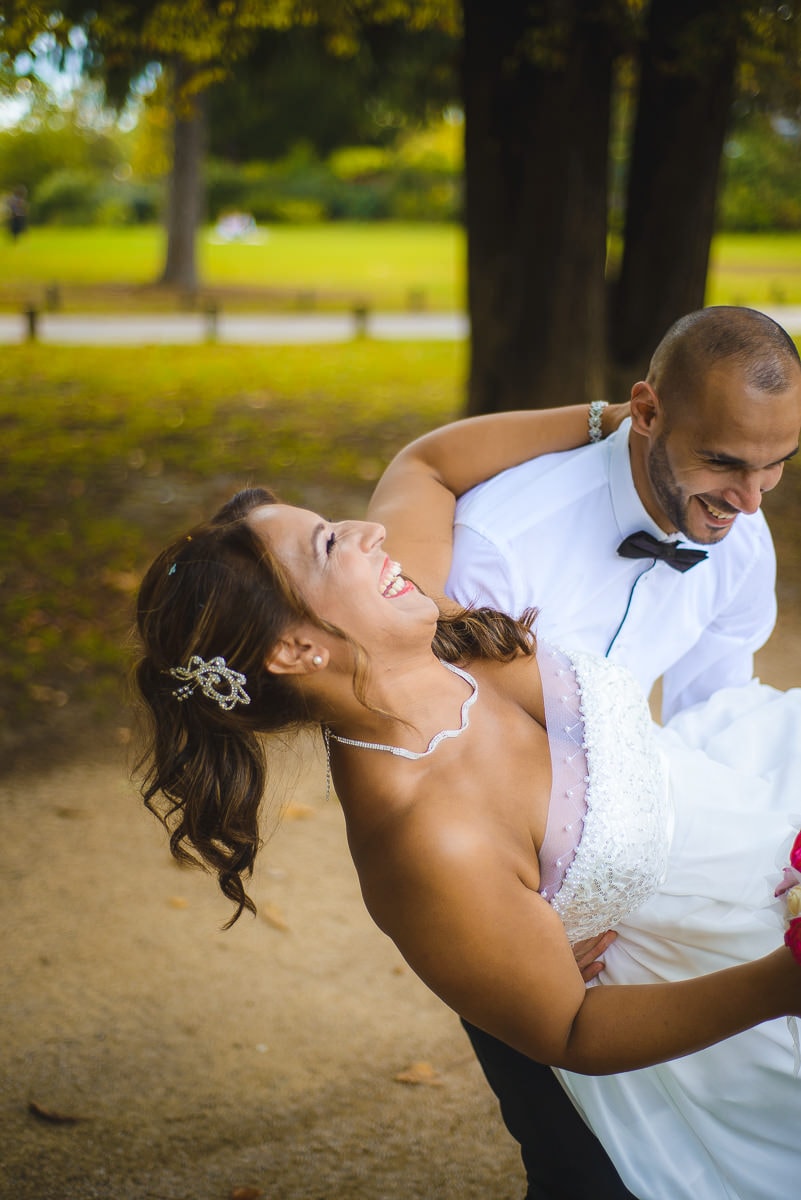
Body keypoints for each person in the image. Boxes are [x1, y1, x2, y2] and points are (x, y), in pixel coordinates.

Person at [135, 449, 801, 1198]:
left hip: (757, 807)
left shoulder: (431, 635)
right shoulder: (426, 838)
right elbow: (570, 1032)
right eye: (328, 544)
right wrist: (784, 983)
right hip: (728, 982)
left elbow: (428, 464)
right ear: (296, 648)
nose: (366, 531)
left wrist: (612, 421)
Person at [367, 305, 801, 1198]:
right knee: (577, 1164)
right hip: (517, 881)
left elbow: (711, 707)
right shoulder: (500, 539)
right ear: (644, 412)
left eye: (776, 467)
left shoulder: (740, 533)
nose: (750, 500)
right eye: (723, 462)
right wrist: (546, 923)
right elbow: (452, 766)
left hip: (649, 830)